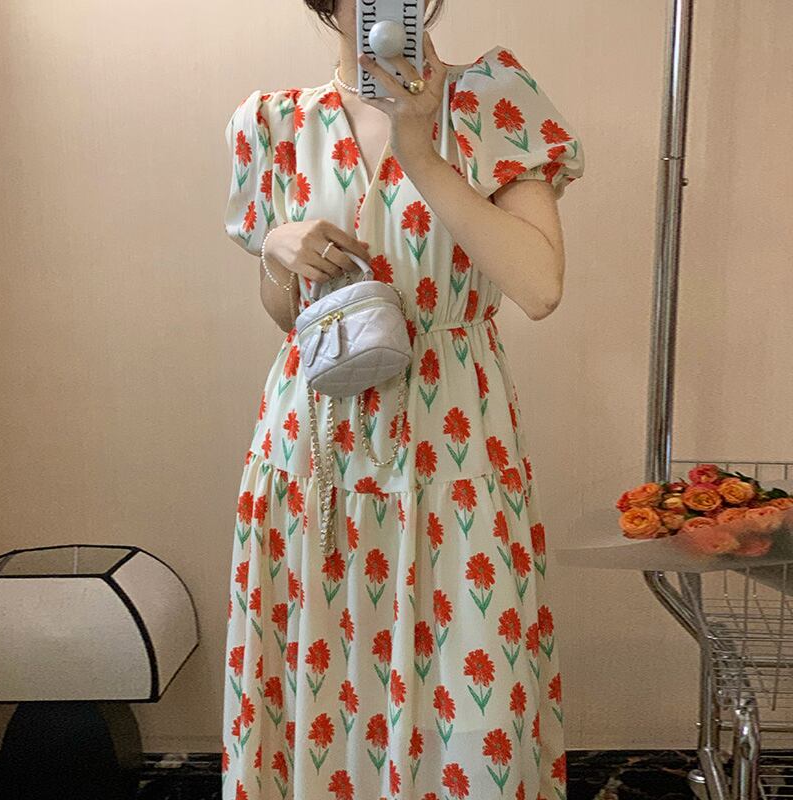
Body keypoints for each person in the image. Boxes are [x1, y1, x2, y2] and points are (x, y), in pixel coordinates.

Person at [221, 1, 585, 797]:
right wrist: (278, 251)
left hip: (453, 450)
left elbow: (539, 287)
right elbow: (288, 316)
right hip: (317, 453)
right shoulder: (276, 124)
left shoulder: (492, 101)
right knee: (324, 692)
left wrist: (420, 150)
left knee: (470, 688)